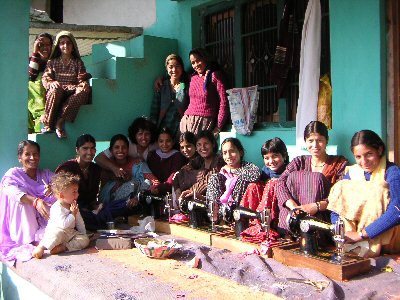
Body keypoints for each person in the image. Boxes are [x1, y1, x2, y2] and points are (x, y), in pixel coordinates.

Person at [328, 130, 400, 257]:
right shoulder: (352, 173)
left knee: (378, 191)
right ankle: (353, 248)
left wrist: (361, 235)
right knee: (341, 187)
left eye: (369, 154)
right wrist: (340, 231)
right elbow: (336, 208)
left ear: (379, 150)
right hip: (354, 239)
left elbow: (397, 210)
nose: (364, 161)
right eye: (358, 157)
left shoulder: (391, 172)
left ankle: (369, 247)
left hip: (386, 240)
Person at [275, 121, 348, 235]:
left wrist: (316, 206)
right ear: (305, 141)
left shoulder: (339, 163)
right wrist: (294, 207)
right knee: (288, 180)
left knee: (315, 178)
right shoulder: (299, 162)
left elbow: (342, 194)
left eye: (319, 140)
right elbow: (280, 183)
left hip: (321, 217)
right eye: (310, 141)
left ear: (326, 141)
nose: (315, 145)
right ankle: (288, 232)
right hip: (295, 215)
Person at [0, 140, 56, 264]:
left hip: (43, 224)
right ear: (20, 157)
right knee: (22, 199)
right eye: (27, 154)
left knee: (59, 196)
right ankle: (28, 241)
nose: (32, 157)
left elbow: (61, 183)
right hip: (22, 229)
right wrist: (36, 201)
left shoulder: (45, 174)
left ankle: (40, 240)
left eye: (35, 154)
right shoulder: (13, 174)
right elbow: (11, 192)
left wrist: (53, 188)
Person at [41, 31, 91, 138]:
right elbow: (45, 78)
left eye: (68, 43)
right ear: (58, 46)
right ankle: (48, 124)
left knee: (83, 92)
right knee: (55, 89)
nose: (65, 46)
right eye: (62, 43)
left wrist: (83, 84)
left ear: (73, 46)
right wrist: (51, 83)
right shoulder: (52, 62)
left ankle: (60, 121)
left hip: (72, 91)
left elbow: (81, 78)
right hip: (57, 91)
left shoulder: (77, 62)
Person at [32, 172, 89, 259]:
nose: (77, 194)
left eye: (77, 191)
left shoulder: (72, 205)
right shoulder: (57, 208)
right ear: (62, 195)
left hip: (70, 233)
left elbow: (79, 221)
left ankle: (64, 247)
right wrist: (72, 214)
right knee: (55, 235)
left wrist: (83, 234)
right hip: (58, 231)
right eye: (74, 192)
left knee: (85, 240)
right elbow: (63, 225)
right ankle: (41, 247)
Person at [206, 138, 260, 223]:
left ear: (240, 152)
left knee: (242, 180)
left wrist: (234, 171)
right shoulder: (221, 173)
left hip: (240, 211)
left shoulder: (247, 167)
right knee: (214, 177)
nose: (228, 156)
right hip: (222, 212)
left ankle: (234, 215)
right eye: (225, 153)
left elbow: (256, 175)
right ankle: (217, 216)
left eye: (232, 151)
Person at [180, 48, 229, 137]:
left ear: (205, 58)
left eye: (198, 60)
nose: (196, 65)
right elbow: (175, 75)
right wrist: (162, 79)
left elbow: (224, 102)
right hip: (186, 123)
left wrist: (218, 126)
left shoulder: (215, 75)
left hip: (204, 123)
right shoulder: (192, 77)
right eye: (193, 63)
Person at [99, 134, 159, 205]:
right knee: (131, 184)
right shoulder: (107, 166)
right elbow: (104, 193)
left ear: (128, 150)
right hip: (114, 205)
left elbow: (155, 182)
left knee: (146, 182)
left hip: (138, 201)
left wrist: (137, 197)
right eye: (117, 147)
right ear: (111, 151)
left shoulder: (138, 164)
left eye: (124, 147)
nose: (120, 150)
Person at [174, 130, 225, 209]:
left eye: (206, 144)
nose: (202, 147)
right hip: (195, 199)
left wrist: (188, 193)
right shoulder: (199, 160)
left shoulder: (219, 161)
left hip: (212, 204)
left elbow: (208, 181)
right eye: (199, 144)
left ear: (213, 144)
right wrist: (177, 190)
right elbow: (179, 174)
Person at [150, 54, 189, 138]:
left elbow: (185, 104)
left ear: (182, 67)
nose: (174, 70)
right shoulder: (162, 85)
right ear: (166, 68)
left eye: (177, 66)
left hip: (180, 129)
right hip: (163, 129)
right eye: (171, 67)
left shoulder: (185, 85)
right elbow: (154, 110)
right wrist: (152, 127)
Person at [147, 127, 187, 196]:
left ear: (173, 141)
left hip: (169, 191)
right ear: (157, 142)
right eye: (161, 141)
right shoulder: (152, 155)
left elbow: (173, 177)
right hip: (151, 189)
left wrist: (159, 189)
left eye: (168, 141)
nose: (164, 144)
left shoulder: (177, 156)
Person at [28, 32, 53, 133]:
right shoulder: (31, 60)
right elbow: (31, 76)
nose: (45, 48)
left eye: (48, 45)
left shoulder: (55, 62)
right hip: (33, 101)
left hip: (48, 98)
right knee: (33, 83)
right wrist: (35, 52)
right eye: (41, 44)